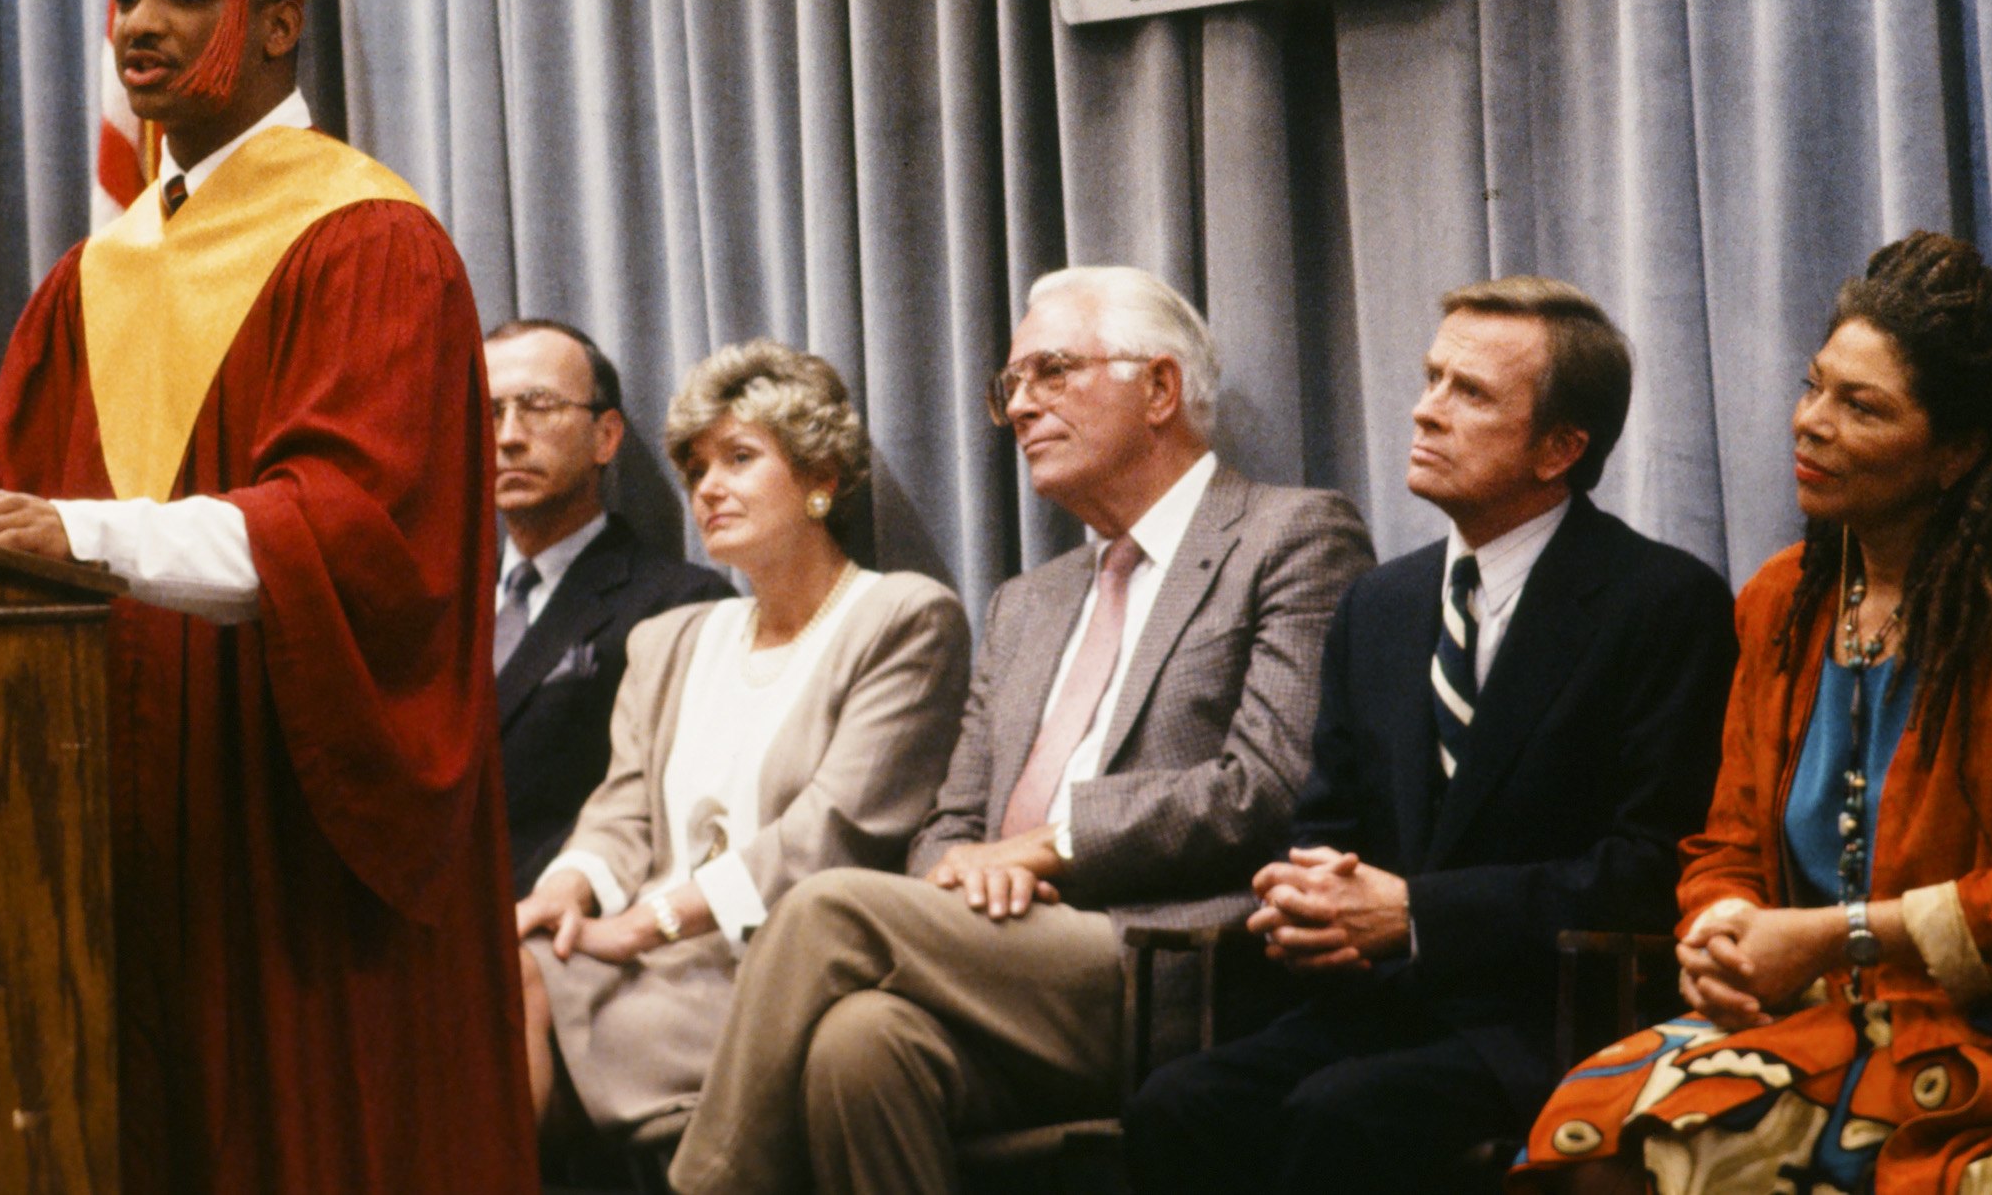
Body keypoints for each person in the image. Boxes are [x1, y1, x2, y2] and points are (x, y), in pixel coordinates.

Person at [0, 0, 533, 1194]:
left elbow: (357, 534)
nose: (141, 24)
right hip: (123, 802)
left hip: (286, 806)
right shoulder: (96, 273)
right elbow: (51, 485)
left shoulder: (369, 244)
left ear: (281, 20)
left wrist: (81, 535)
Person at [669, 266, 1374, 1195]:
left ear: (1159, 388)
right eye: (1012, 387)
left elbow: (1266, 786)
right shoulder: (1025, 604)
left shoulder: (1290, 537)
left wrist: (1049, 848)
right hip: (997, 953)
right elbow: (949, 822)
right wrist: (961, 878)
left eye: (1052, 373)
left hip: (1169, 963)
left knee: (826, 909)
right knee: (860, 1047)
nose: (1022, 409)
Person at [1515, 233, 1992, 1195]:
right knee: (1593, 1128)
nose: (1810, 424)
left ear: (1956, 452)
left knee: (1697, 1144)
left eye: (1861, 406)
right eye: (1815, 386)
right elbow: (1726, 843)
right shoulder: (1782, 599)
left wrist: (1836, 936)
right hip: (1809, 1020)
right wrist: (1723, 929)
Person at [1121, 276, 1737, 1193]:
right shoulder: (1382, 603)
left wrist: (1416, 915)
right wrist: (1308, 897)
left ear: (1560, 448)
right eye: (1431, 377)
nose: (1424, 410)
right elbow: (1327, 823)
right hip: (1383, 1007)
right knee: (1175, 1103)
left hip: (1554, 1019)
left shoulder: (1661, 603)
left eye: (1471, 393)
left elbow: (1650, 871)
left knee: (1341, 1117)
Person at [517, 339, 973, 1147]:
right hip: (644, 958)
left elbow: (832, 835)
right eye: (695, 470)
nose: (709, 489)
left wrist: (651, 922)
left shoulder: (902, 617)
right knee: (486, 973)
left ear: (820, 479)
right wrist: (569, 886)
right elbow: (621, 812)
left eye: (739, 458)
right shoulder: (674, 638)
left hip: (780, 970)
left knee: (507, 991)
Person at [488, 317, 735, 893]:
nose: (507, 436)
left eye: (539, 405)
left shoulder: (680, 603)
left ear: (606, 435)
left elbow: (664, 819)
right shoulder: (434, 605)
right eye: (487, 412)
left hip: (561, 927)